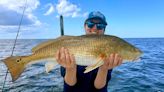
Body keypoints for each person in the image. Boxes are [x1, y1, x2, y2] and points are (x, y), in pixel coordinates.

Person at [55, 11, 123, 92]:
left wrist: (104, 69)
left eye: (100, 25)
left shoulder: (108, 49)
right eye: (91, 24)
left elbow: (99, 87)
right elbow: (70, 85)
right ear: (85, 26)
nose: (95, 28)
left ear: (104, 30)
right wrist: (70, 69)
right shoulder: (68, 47)